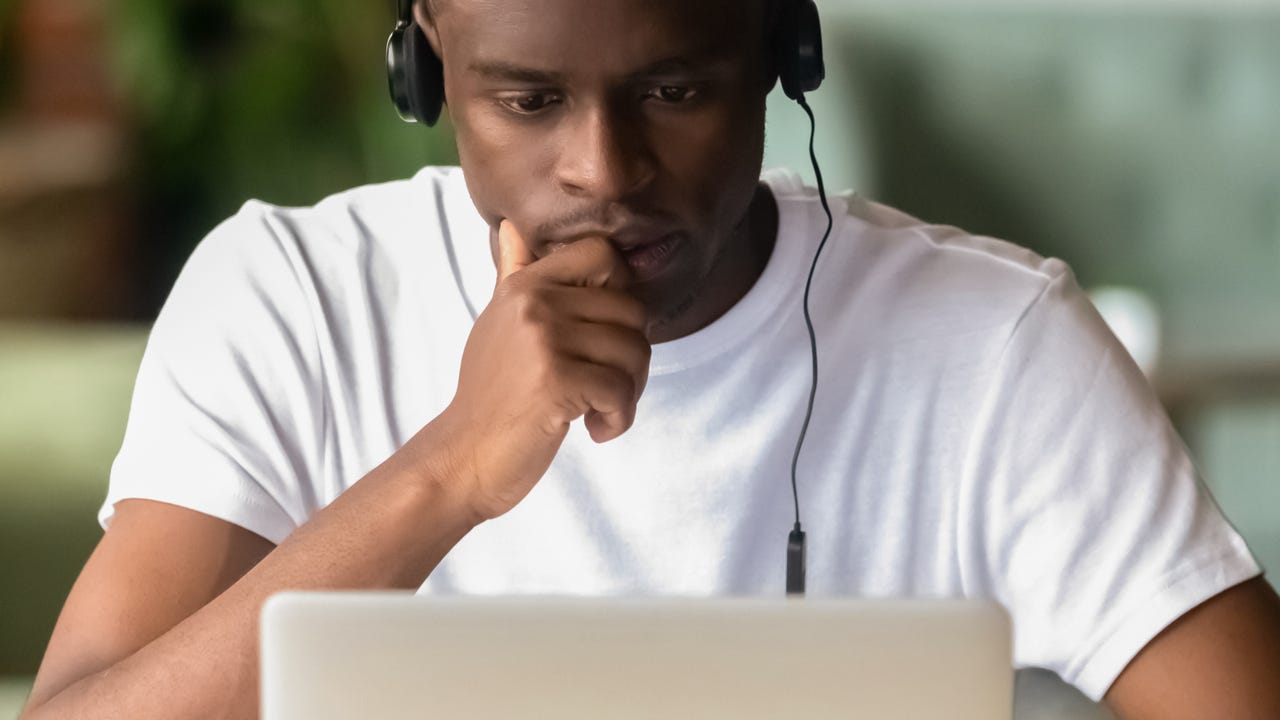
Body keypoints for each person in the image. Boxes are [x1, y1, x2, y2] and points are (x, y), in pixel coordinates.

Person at [21, 0, 1280, 718]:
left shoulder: (991, 348)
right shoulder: (291, 296)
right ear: (425, 68)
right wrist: (451, 472)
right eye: (526, 103)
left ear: (780, 58)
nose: (605, 173)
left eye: (675, 94)